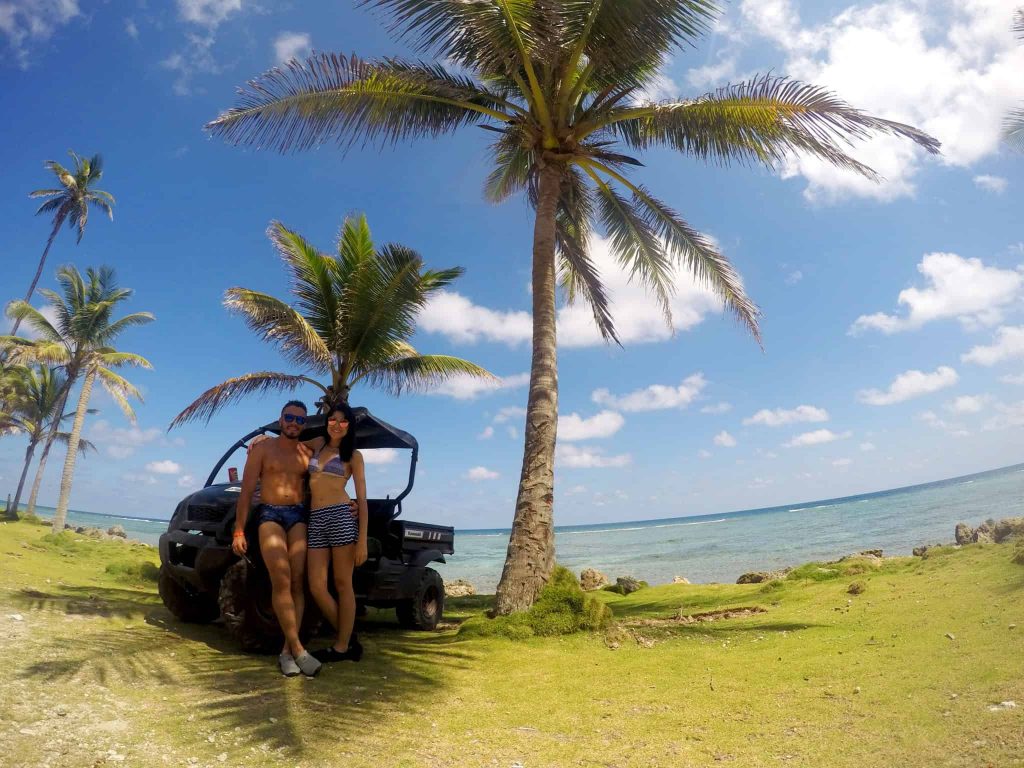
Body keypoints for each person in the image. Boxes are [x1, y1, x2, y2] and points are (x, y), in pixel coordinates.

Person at [233, 400, 321, 678]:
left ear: (304, 424)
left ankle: (286, 652)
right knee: (280, 578)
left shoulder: (308, 450)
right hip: (269, 514)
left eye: (300, 419)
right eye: (289, 417)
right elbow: (246, 492)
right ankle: (299, 649)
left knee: (297, 581)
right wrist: (238, 530)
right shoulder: (261, 449)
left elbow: (336, 438)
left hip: (298, 516)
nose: (294, 423)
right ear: (280, 419)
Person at [305, 402, 369, 662]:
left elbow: (362, 499)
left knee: (343, 584)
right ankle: (349, 637)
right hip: (315, 518)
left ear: (349, 425)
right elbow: (289, 441)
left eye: (344, 421)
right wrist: (263, 439)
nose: (337, 424)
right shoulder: (317, 443)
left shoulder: (354, 456)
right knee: (317, 586)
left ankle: (341, 646)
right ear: (327, 421)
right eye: (333, 419)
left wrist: (362, 538)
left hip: (341, 516)